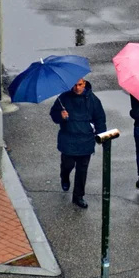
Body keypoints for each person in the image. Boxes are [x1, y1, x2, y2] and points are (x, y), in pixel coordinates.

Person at [50, 77, 106, 209]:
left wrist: (102, 137)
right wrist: (61, 116)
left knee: (82, 170)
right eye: (75, 85)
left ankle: (78, 196)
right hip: (68, 140)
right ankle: (64, 176)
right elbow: (54, 115)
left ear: (84, 84)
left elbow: (100, 119)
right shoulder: (63, 98)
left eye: (80, 85)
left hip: (86, 141)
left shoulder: (93, 100)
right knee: (67, 165)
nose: (77, 88)